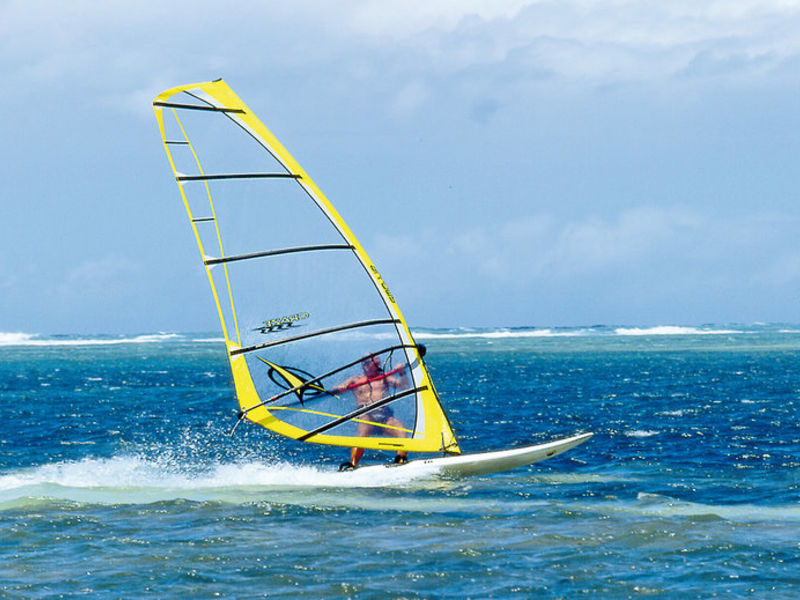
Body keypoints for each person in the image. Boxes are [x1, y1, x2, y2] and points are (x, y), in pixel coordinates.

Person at [333, 355, 409, 470]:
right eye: (376, 362)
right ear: (365, 365)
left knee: (401, 430)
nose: (379, 364)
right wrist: (341, 388)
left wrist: (402, 373)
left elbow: (404, 386)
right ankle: (352, 465)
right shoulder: (355, 380)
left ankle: (401, 458)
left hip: (384, 415)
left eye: (378, 362)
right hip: (366, 413)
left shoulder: (384, 378)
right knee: (362, 435)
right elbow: (336, 390)